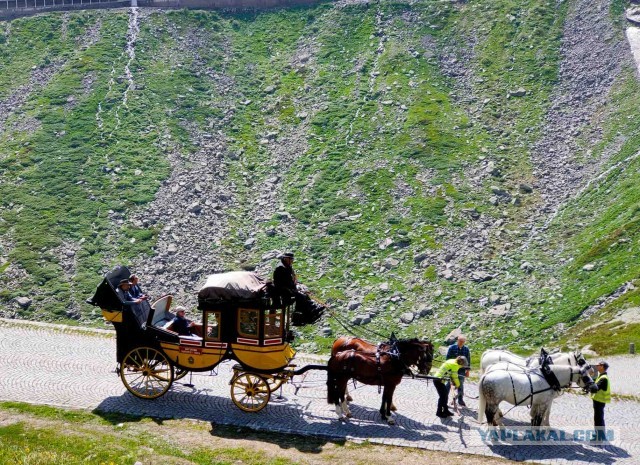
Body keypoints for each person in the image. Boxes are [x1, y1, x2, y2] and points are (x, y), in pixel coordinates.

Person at [445, 335, 471, 406]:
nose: (461, 343)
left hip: (461, 370)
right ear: (457, 340)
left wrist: (467, 371)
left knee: (461, 384)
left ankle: (460, 400)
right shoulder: (451, 348)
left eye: (463, 342)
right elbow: (447, 359)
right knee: (448, 384)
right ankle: (444, 399)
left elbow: (468, 361)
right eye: (460, 341)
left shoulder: (466, 349)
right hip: (452, 369)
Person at [589, 361, 610, 440]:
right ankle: (599, 435)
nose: (597, 366)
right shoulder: (600, 376)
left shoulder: (603, 378)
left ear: (602, 367)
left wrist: (588, 386)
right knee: (598, 418)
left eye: (598, 365)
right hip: (598, 400)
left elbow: (595, 388)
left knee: (599, 419)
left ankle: (600, 436)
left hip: (600, 401)